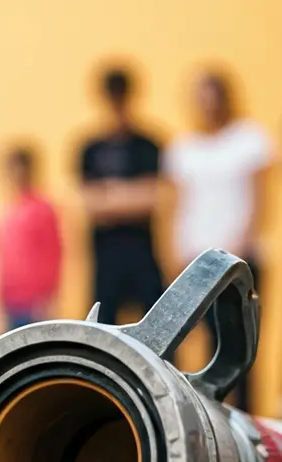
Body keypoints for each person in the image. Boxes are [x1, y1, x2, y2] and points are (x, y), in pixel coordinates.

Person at [164, 70, 272, 412]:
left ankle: (245, 415)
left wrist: (240, 246)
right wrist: (175, 254)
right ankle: (210, 413)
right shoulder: (183, 149)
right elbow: (178, 205)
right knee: (204, 341)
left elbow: (259, 199)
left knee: (241, 341)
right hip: (196, 261)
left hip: (237, 259)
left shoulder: (249, 139)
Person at [77, 66, 165, 326]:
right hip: (105, 258)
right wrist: (132, 194)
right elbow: (89, 205)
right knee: (101, 330)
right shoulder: (90, 148)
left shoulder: (148, 144)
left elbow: (153, 198)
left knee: (158, 328)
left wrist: (109, 195)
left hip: (143, 254)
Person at [0, 146, 63, 330]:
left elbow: (53, 254)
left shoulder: (42, 209)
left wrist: (48, 297)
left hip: (35, 303)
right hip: (11, 301)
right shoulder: (7, 210)